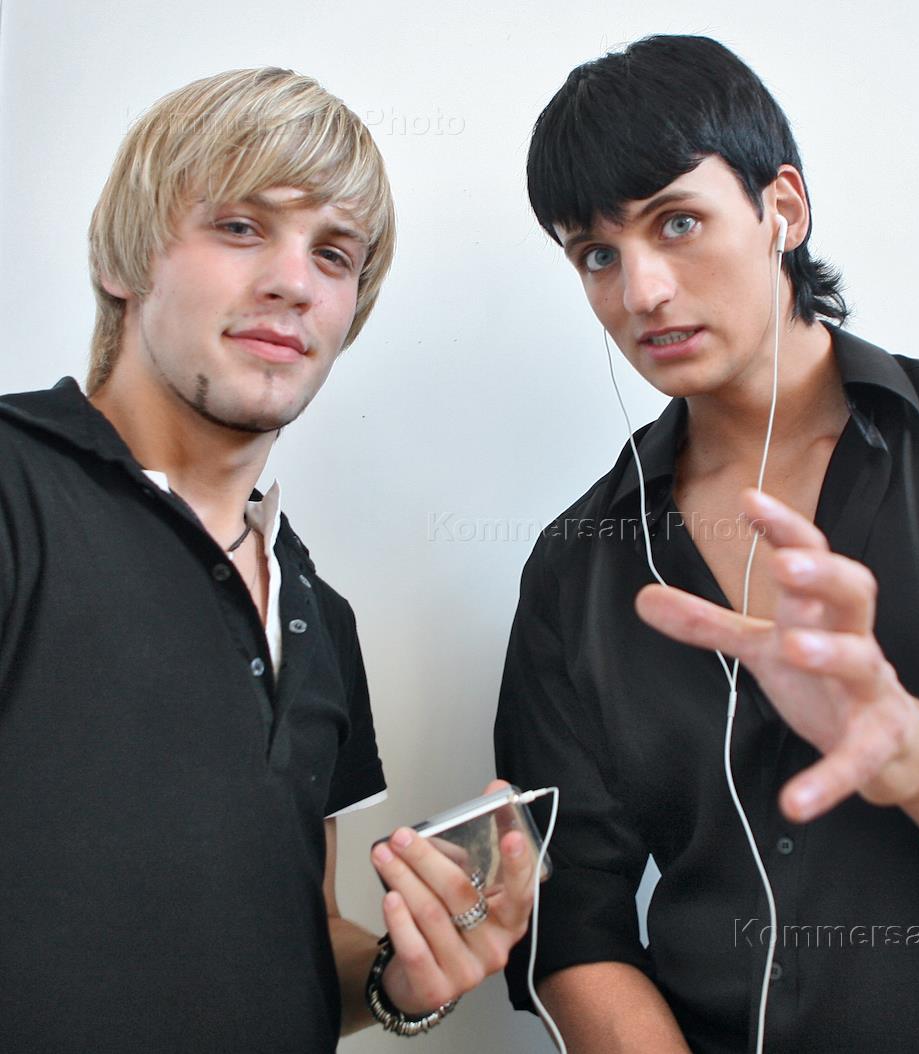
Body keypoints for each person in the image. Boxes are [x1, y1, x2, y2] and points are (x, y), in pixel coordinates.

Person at [494, 34, 919, 1054]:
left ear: (784, 208)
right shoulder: (576, 563)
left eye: (677, 222)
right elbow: (569, 914)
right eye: (597, 254)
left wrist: (915, 749)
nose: (641, 292)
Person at [0, 68, 533, 1053]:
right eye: (242, 226)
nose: (295, 281)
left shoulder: (317, 612)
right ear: (123, 261)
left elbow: (296, 937)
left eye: (334, 253)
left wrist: (404, 975)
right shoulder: (14, 490)